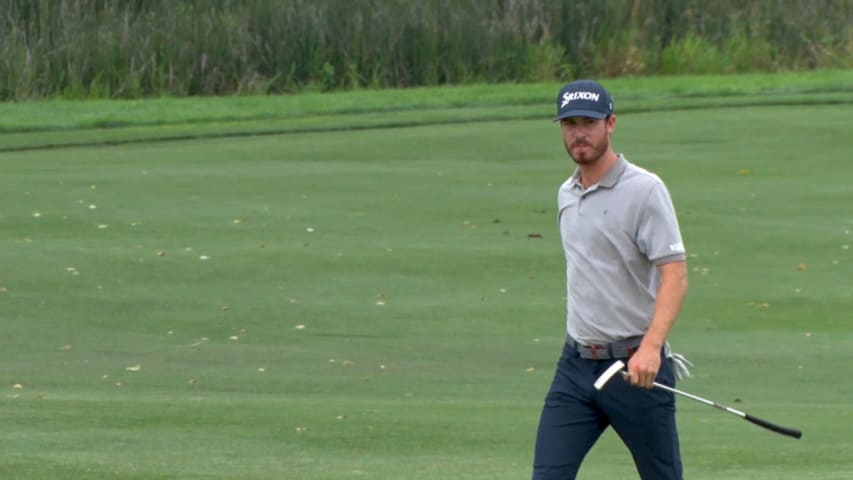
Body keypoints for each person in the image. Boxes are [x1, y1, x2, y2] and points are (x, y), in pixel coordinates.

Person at [531, 79, 690, 480]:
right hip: (575, 366)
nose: (578, 133)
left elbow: (674, 274)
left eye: (588, 122)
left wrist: (652, 349)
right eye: (569, 124)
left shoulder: (645, 190)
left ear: (611, 123)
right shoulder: (566, 193)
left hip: (635, 368)